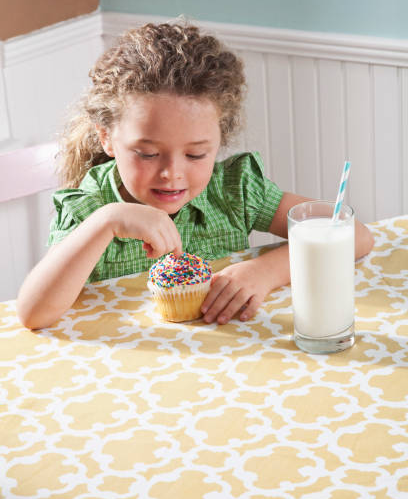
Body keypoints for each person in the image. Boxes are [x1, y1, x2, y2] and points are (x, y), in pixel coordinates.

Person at [17, 22, 374, 329]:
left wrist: (266, 272)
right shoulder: (89, 210)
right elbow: (34, 313)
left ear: (220, 140)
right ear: (107, 137)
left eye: (195, 154)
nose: (172, 173)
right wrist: (106, 222)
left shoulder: (235, 191)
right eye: (148, 153)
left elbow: (356, 236)